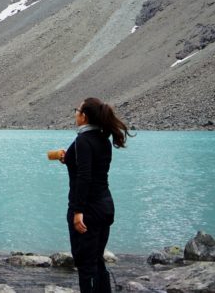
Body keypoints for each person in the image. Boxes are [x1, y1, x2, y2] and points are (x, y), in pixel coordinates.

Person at [57, 97, 131, 293]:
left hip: (87, 209)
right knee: (96, 260)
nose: (75, 113)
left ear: (84, 116)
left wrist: (78, 211)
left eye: (77, 110)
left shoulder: (83, 140)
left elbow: (85, 177)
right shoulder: (102, 139)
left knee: (85, 264)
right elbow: (91, 167)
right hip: (104, 206)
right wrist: (68, 159)